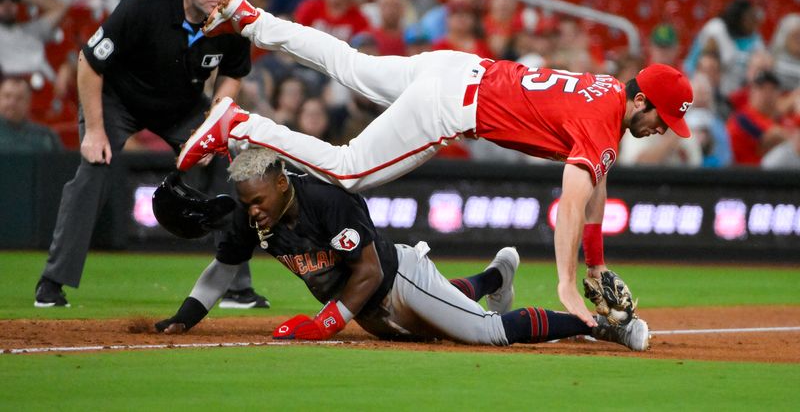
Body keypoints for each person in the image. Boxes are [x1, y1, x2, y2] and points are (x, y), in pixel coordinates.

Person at [176, 0, 694, 326]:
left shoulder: (605, 95)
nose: (661, 130)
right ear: (643, 100)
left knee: (350, 65)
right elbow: (575, 197)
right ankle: (242, 125)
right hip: (454, 105)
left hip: (458, 69)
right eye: (663, 119)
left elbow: (597, 179)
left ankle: (251, 18)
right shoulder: (606, 122)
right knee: (350, 169)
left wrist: (597, 263)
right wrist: (565, 283)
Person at [155, 148, 649, 352]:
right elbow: (222, 269)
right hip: (369, 308)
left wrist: (324, 324)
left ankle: (605, 327)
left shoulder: (326, 199)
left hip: (395, 278)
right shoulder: (251, 215)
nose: (253, 212)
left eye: (259, 201)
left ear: (282, 183)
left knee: (486, 333)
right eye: (247, 204)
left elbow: (366, 271)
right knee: (437, 325)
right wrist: (185, 316)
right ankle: (495, 276)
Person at [33, 0, 268, 310]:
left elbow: (233, 73)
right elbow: (90, 61)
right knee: (95, 167)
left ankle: (236, 286)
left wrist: (212, 123)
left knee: (228, 161)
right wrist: (94, 131)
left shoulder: (232, 18)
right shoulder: (147, 3)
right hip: (117, 100)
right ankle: (52, 282)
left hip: (181, 106)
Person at [0, 75, 62, 152]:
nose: (12, 103)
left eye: (19, 98)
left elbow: (61, 162)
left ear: (28, 103)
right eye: (7, 96)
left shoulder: (45, 137)